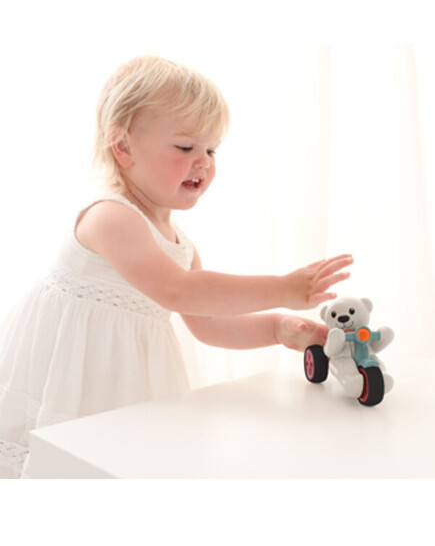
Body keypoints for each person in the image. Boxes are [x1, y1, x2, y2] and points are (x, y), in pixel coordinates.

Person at [0, 55, 353, 478]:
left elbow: (208, 322)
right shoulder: (110, 216)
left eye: (211, 149)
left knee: (117, 464)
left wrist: (277, 327)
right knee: (61, 465)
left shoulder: (180, 245)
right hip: (70, 372)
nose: (203, 162)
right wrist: (283, 288)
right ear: (124, 147)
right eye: (186, 147)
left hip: (124, 378)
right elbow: (179, 291)